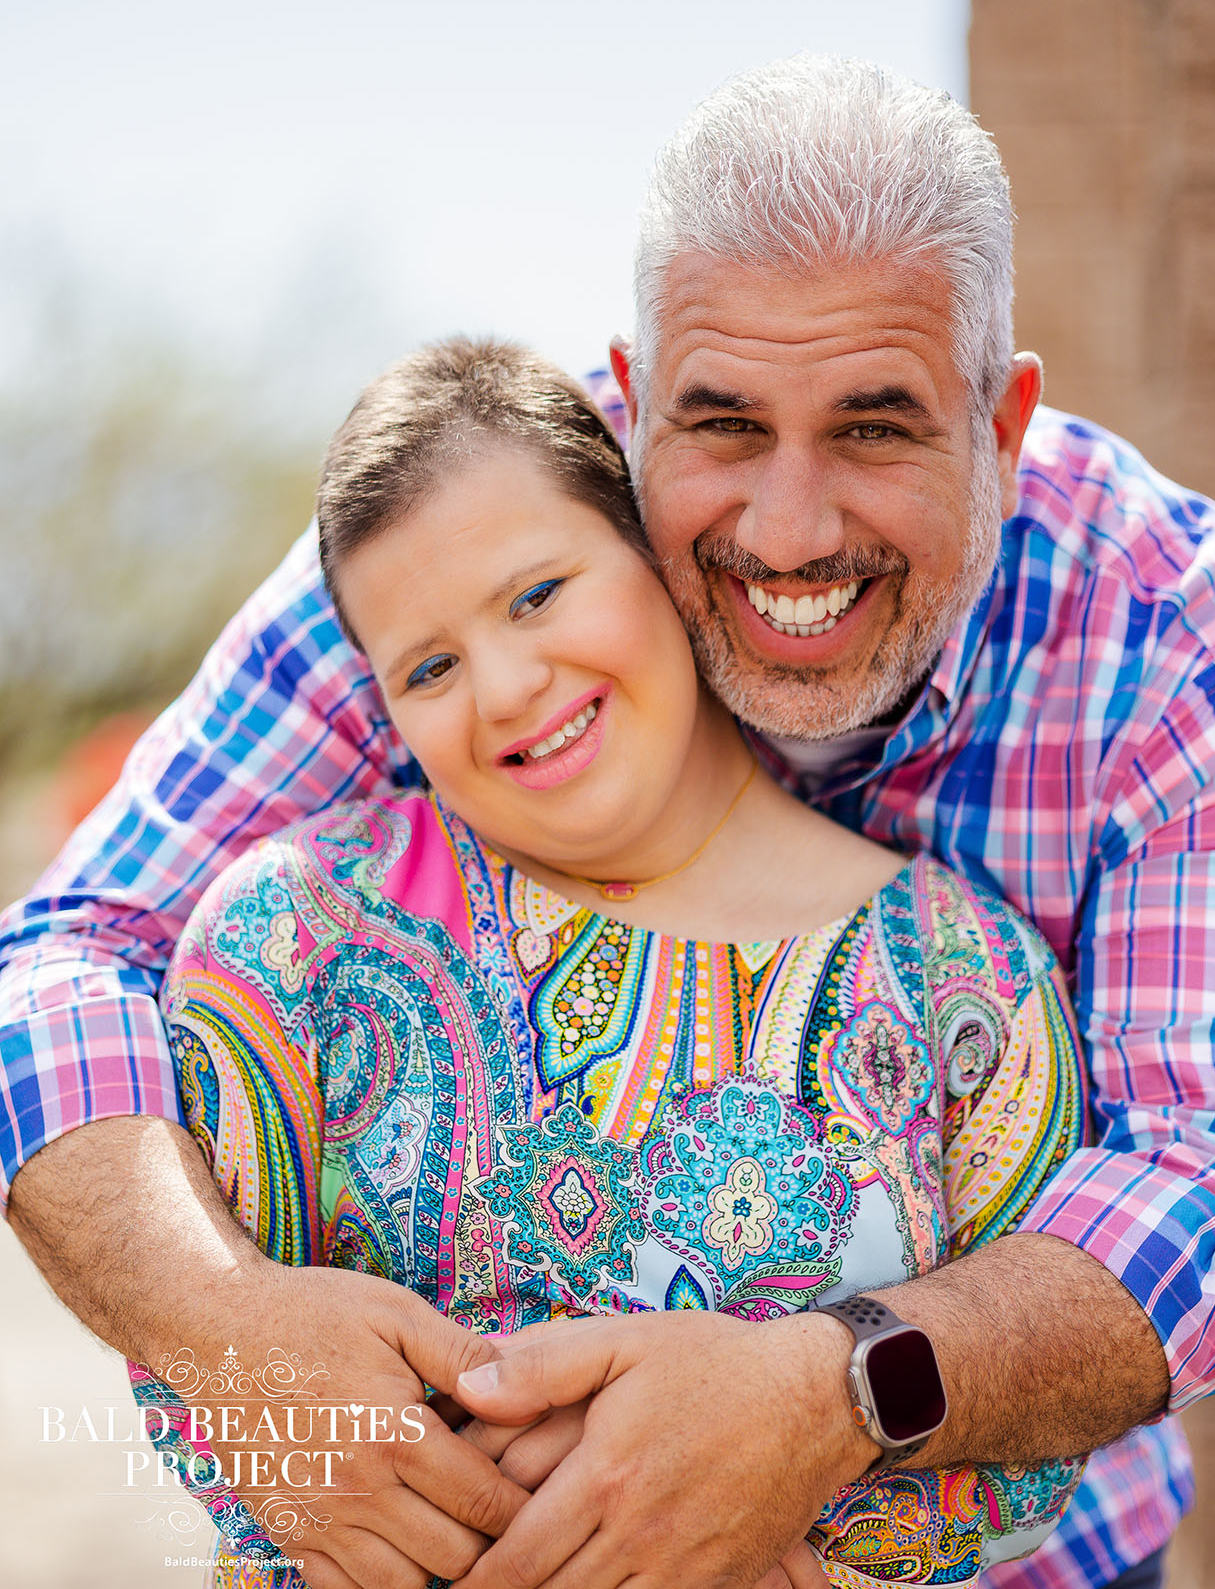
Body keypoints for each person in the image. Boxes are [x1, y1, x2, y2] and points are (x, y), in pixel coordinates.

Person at [2, 53, 1215, 1589]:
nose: (789, 530)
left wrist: (828, 1404)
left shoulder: (1184, 651)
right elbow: (71, 951)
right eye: (723, 424)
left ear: (1001, 426)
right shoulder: (484, 530)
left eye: (875, 427)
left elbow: (1213, 1187)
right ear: (632, 402)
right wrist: (229, 1332)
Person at [130, 336, 1086, 1588]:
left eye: (536, 595)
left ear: (655, 557)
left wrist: (759, 1523)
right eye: (429, 666)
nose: (505, 687)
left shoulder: (969, 978)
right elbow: (193, 1372)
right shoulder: (288, 940)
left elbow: (1023, 1459)